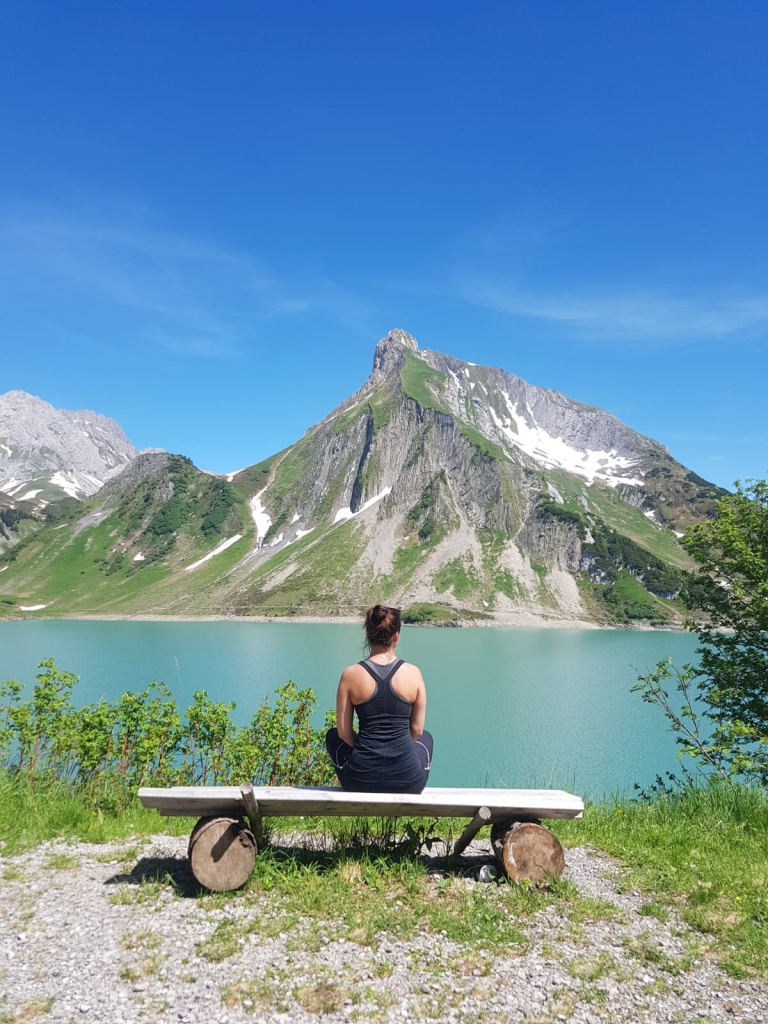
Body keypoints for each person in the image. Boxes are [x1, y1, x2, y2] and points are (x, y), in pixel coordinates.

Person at [325, 604, 433, 793]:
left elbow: (343, 733)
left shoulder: (350, 675)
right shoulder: (413, 674)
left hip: (358, 780)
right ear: (396, 637)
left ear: (367, 634)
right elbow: (416, 731)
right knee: (427, 738)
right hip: (409, 782)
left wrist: (364, 749)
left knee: (332, 735)